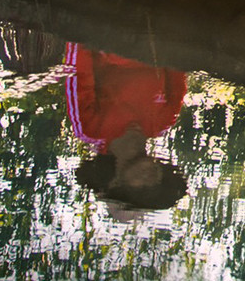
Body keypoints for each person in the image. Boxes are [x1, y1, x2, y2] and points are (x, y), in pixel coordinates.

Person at [67, 44, 189, 215]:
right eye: (156, 185)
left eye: (141, 189)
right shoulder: (163, 121)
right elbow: (177, 63)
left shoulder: (91, 129)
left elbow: (78, 69)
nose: (151, 181)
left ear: (115, 182)